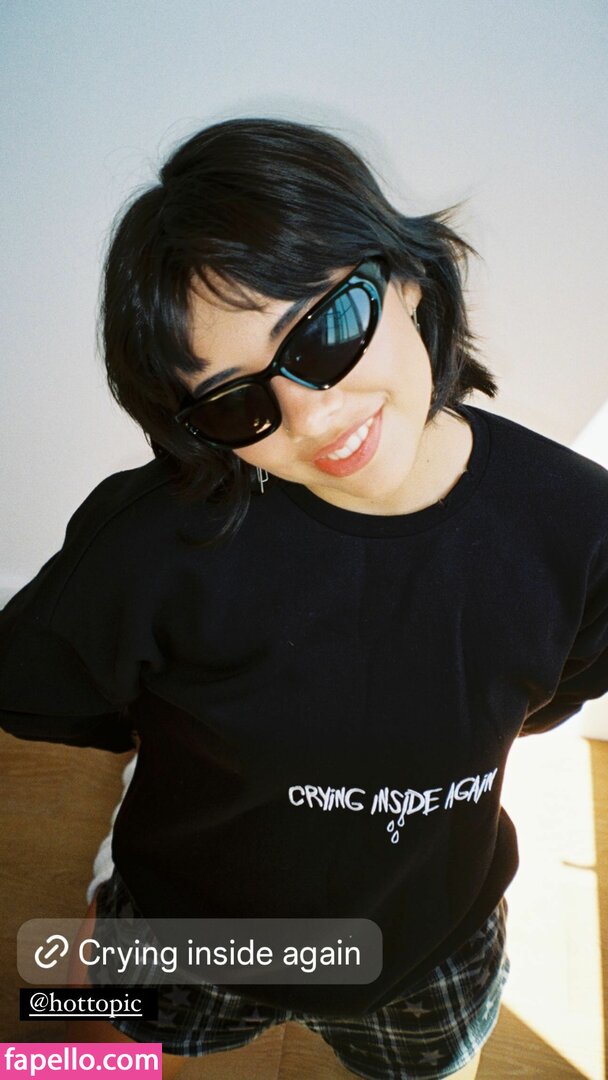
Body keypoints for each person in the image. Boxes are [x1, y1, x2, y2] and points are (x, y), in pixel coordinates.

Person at [1, 117, 607, 1080]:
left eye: (323, 333)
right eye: (236, 400)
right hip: (186, 930)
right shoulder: (151, 544)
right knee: (89, 1038)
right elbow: (51, 690)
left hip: (429, 951)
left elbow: (554, 693)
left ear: (407, 278)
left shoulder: (578, 527)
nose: (313, 416)